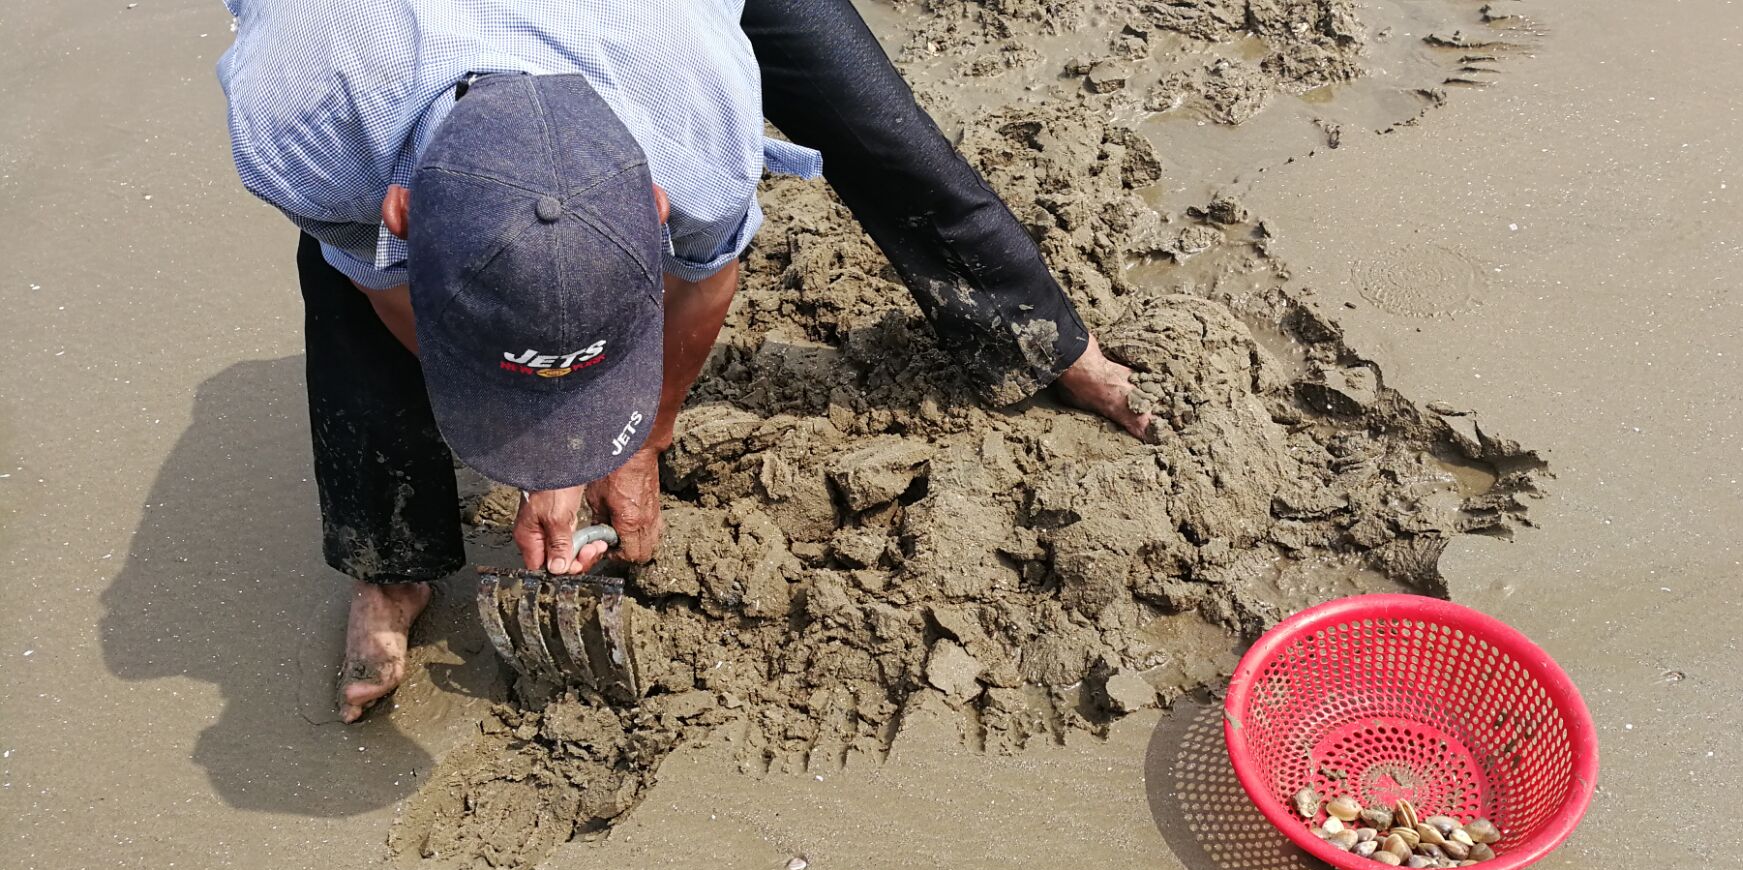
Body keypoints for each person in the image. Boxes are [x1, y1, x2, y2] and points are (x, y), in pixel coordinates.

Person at [218, 0, 1152, 723]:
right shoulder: (300, 119)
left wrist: (638, 432)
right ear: (402, 212)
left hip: (644, 30)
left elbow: (707, 275)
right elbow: (385, 287)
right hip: (371, 48)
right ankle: (391, 561)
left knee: (880, 130)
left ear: (657, 204)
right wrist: (542, 436)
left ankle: (1041, 339)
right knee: (340, 291)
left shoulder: (698, 116)